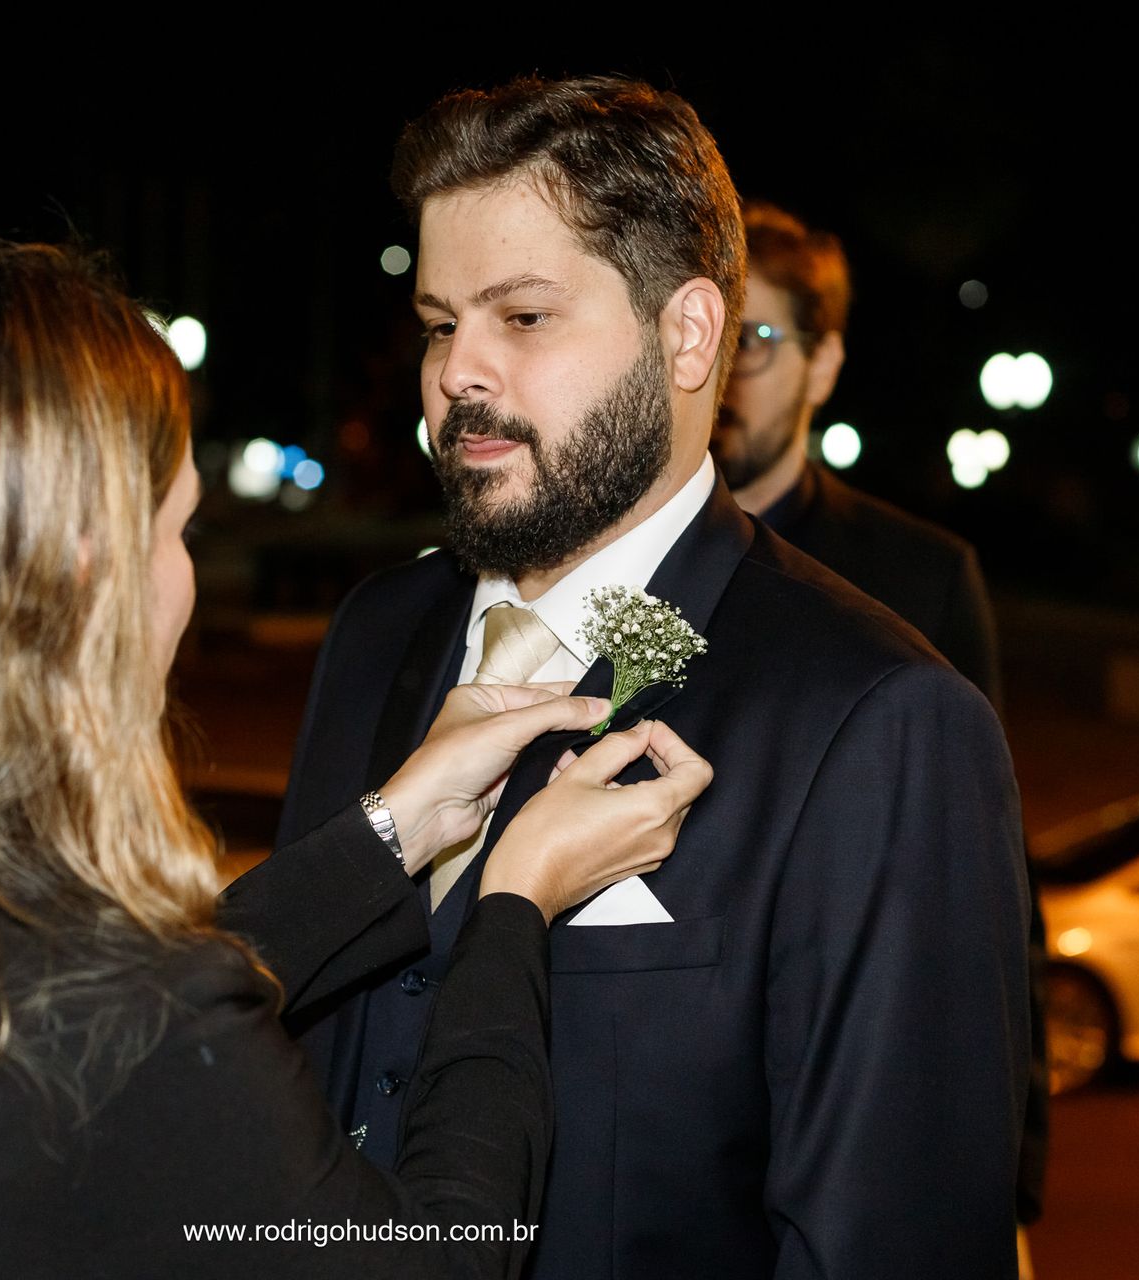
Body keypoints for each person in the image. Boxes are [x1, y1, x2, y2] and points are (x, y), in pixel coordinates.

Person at [0, 237, 712, 1280]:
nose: (182, 573)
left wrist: (391, 833)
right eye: (178, 529)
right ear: (88, 565)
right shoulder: (134, 1018)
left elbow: (43, 1038)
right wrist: (514, 897)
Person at [268, 75, 1032, 1278]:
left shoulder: (878, 719)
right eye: (435, 321)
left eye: (521, 318)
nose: (457, 370)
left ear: (687, 334)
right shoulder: (374, 634)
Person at [714, 202, 1051, 1265]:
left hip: (854, 1055)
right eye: (710, 337)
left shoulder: (920, 573)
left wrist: (1014, 1156)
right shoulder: (629, 566)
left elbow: (987, 871)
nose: (726, 372)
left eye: (757, 341)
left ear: (824, 365)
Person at [714, 201, 1002, 703]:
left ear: (821, 366)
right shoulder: (605, 544)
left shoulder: (924, 583)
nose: (716, 370)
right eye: (699, 335)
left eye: (749, 338)